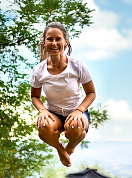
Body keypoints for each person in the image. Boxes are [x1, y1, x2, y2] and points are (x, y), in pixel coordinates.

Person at [30, 22, 96, 167]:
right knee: (44, 127)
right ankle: (60, 149)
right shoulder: (38, 70)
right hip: (53, 113)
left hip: (77, 111)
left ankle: (71, 146)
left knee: (75, 127)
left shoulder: (78, 65)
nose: (54, 43)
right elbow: (35, 96)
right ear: (44, 41)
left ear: (65, 41)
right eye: (50, 39)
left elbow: (91, 93)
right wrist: (42, 110)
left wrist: (79, 111)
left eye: (58, 39)